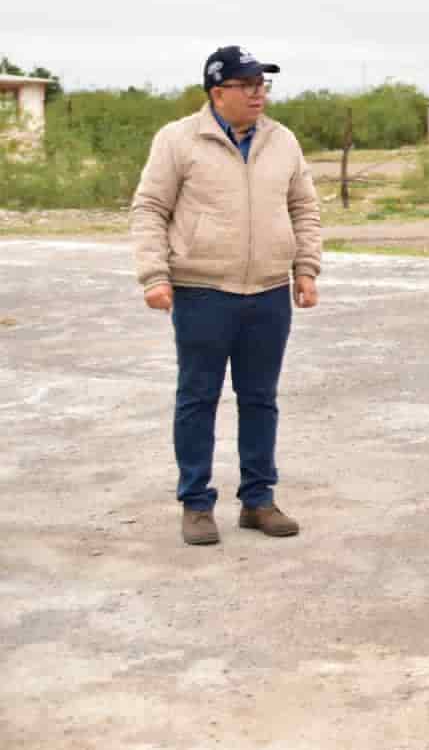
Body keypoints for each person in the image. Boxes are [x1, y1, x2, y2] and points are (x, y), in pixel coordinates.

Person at [131, 46, 322, 546]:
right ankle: (196, 504)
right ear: (218, 92)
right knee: (198, 397)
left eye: (264, 84)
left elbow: (304, 207)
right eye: (248, 85)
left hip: (269, 291)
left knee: (261, 399)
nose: (260, 94)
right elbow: (150, 208)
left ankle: (258, 500)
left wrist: (306, 269)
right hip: (201, 291)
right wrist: (153, 275)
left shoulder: (283, 141)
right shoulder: (179, 140)